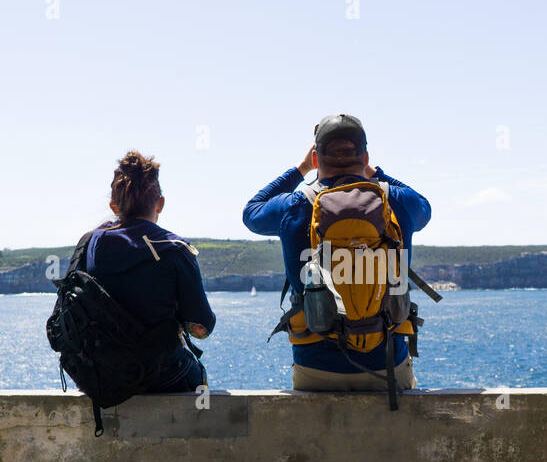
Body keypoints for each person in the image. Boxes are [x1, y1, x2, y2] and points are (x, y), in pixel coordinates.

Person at [242, 114, 431, 392]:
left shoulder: (296, 204)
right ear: (365, 157)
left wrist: (301, 168)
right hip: (388, 366)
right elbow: (424, 208)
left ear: (317, 159)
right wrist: (376, 174)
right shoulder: (397, 201)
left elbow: (252, 212)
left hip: (316, 369)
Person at [81, 150, 214, 392]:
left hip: (101, 374)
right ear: (160, 204)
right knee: (197, 375)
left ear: (114, 206)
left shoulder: (90, 243)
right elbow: (202, 326)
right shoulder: (174, 248)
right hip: (158, 373)